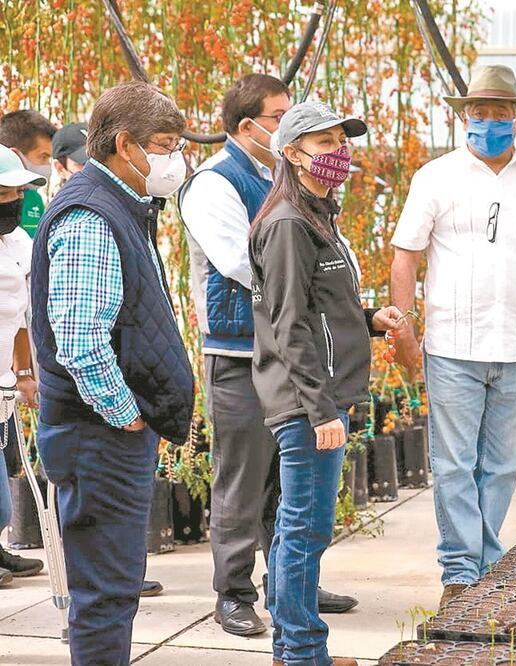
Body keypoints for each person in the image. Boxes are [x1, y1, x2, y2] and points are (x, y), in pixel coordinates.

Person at [389, 64, 516, 609]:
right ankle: (461, 570)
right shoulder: (436, 177)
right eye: (480, 113)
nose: (490, 123)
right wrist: (403, 327)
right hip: (453, 346)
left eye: (501, 114)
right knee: (454, 464)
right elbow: (405, 257)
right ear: (464, 118)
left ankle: (483, 562)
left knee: (501, 466)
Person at [180, 74, 357, 638]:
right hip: (239, 348)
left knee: (290, 484)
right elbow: (240, 261)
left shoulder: (284, 182)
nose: (285, 124)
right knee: (242, 476)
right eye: (278, 116)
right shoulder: (215, 182)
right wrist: (298, 283)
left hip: (287, 351)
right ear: (246, 126)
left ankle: (290, 583)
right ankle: (233, 592)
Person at [30, 81, 195, 665]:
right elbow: (79, 341)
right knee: (105, 592)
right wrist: (127, 415)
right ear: (126, 145)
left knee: (116, 584)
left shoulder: (122, 206)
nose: (176, 160)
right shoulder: (91, 216)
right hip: (97, 434)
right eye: (166, 146)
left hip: (107, 433)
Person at [250, 100, 403, 666]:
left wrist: (369, 320)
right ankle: (303, 652)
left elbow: (319, 307)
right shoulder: (289, 224)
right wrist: (320, 411)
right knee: (304, 530)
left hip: (318, 396)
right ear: (292, 154)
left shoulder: (316, 215)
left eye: (342, 140)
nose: (340, 150)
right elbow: (288, 325)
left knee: (300, 527)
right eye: (324, 142)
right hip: (305, 402)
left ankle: (291, 648)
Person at [0, 145, 46, 587]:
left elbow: (19, 317)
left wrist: (25, 372)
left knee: (3, 494)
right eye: (2, 194)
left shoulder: (19, 243)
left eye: (16, 193)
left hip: (3, 383)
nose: (12, 202)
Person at [0, 110, 57, 238]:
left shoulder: (35, 198)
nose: (47, 165)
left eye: (19, 191)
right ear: (15, 155)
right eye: (43, 157)